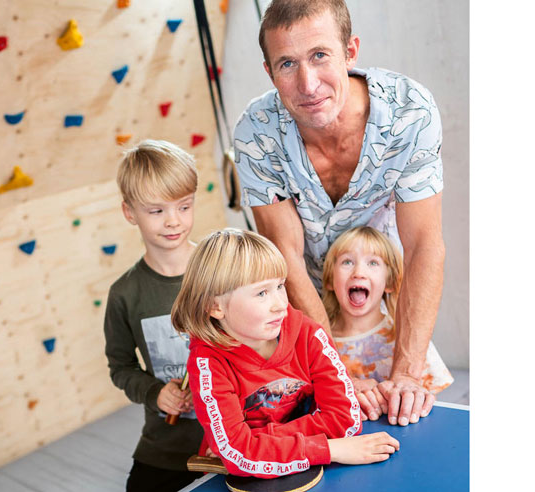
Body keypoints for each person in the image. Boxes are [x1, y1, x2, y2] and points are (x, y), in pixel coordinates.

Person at [232, 0, 445, 427]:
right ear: (269, 72)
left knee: (407, 416)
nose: (308, 84)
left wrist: (405, 372)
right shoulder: (256, 132)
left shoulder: (411, 113)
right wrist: (335, 371)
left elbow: (423, 244)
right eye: (287, 64)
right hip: (299, 309)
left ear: (351, 51)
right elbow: (285, 255)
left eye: (320, 56)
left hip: (377, 296)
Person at [171, 228, 399, 478]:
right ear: (215, 306)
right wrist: (327, 449)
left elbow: (345, 419)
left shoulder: (308, 334)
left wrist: (257, 441)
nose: (281, 304)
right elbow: (238, 454)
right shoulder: (208, 362)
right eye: (262, 293)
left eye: (280, 286)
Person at [103, 140, 204, 491]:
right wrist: (155, 393)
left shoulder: (222, 268)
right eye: (156, 211)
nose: (173, 221)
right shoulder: (124, 295)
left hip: (238, 438)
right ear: (130, 212)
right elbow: (121, 368)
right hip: (167, 447)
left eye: (184, 206)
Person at [322, 226, 453, 421]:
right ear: (330, 280)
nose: (358, 272)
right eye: (347, 262)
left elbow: (427, 403)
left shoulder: (406, 340)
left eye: (373, 263)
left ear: (390, 282)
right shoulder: (317, 341)